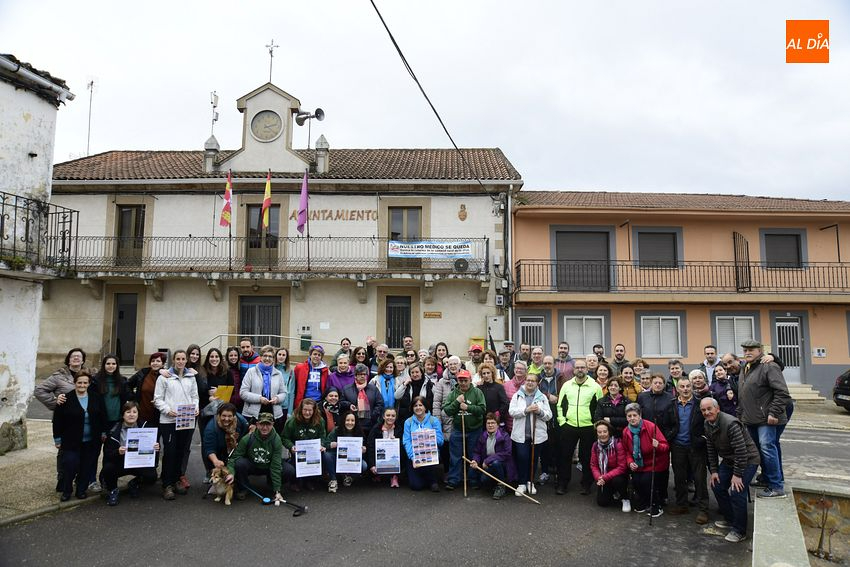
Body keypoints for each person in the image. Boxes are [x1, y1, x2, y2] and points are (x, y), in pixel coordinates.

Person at [737, 339, 791, 498]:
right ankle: (766, 478)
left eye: (751, 350)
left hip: (767, 418)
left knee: (767, 448)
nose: (747, 352)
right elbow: (744, 395)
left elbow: (782, 392)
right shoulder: (745, 367)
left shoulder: (769, 366)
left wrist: (773, 413)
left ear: (759, 351)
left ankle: (776, 487)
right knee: (759, 450)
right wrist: (741, 416)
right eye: (745, 350)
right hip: (751, 418)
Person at [702, 397, 761, 543]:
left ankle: (740, 531)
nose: (707, 412)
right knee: (717, 485)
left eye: (709, 409)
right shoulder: (707, 424)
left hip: (747, 460)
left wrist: (737, 475)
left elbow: (741, 451)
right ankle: (731, 519)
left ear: (717, 409)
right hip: (729, 460)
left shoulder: (730, 423)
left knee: (737, 491)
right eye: (703, 410)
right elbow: (710, 448)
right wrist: (714, 471)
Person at [52, 370, 107, 501]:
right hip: (71, 440)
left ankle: (81, 490)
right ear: (74, 383)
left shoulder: (96, 397)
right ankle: (67, 490)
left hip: (91, 440)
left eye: (85, 383)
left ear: (89, 384)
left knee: (86, 466)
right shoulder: (65, 398)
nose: (82, 385)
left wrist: (104, 432)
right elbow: (57, 420)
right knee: (70, 465)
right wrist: (57, 438)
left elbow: (103, 416)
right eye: (79, 382)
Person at [153, 350, 199, 500]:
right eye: (178, 359)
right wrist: (168, 410)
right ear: (173, 360)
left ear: (186, 360)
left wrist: (195, 407)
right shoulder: (164, 377)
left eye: (183, 359)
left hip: (186, 419)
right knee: (170, 451)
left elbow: (194, 396)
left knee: (180, 451)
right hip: (169, 421)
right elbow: (158, 399)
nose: (180, 361)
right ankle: (167, 484)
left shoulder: (191, 376)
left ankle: (177, 479)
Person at [556, 358, 603, 495]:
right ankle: (563, 483)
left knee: (586, 457)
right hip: (569, 425)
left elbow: (599, 408)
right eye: (577, 367)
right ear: (574, 370)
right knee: (565, 456)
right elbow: (560, 405)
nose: (580, 369)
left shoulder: (595, 387)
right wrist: (562, 421)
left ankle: (586, 484)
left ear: (587, 369)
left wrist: (595, 424)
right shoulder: (567, 385)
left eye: (583, 367)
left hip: (588, 427)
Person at [226, 412, 293, 503]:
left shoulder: (276, 440)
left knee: (289, 470)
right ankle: (244, 488)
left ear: (272, 425)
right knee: (239, 463)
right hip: (253, 465)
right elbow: (234, 458)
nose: (264, 428)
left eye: (268, 424)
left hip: (269, 466)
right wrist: (231, 473)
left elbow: (276, 465)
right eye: (262, 424)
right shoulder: (247, 438)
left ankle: (272, 485)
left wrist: (277, 490)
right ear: (257, 424)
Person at [102, 401, 160, 506]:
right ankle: (113, 490)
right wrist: (118, 452)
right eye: (128, 412)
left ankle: (134, 483)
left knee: (151, 476)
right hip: (120, 462)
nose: (131, 415)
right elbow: (108, 454)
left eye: (134, 412)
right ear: (123, 415)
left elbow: (152, 453)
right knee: (108, 468)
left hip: (138, 462)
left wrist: (155, 448)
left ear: (138, 414)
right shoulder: (113, 430)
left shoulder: (146, 428)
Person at [669, 374, 709, 524]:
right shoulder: (672, 404)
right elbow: (666, 423)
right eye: (682, 386)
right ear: (677, 389)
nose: (685, 389)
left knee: (699, 479)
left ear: (692, 387)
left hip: (696, 446)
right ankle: (682, 505)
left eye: (688, 386)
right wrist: (670, 436)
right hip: (678, 446)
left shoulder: (699, 404)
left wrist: (703, 439)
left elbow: (709, 420)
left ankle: (703, 510)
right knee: (679, 478)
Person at [622, 403, 670, 518]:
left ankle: (656, 504)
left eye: (635, 415)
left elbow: (666, 447)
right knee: (636, 481)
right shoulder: (626, 431)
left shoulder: (650, 427)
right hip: (638, 463)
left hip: (655, 462)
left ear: (640, 415)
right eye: (629, 416)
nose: (632, 418)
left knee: (646, 481)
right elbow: (627, 451)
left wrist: (658, 445)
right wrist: (630, 462)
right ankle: (644, 501)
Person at [441, 369, 486, 490]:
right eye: (460, 380)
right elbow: (447, 410)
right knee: (455, 456)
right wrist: (457, 402)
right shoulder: (453, 394)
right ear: (457, 381)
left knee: (473, 456)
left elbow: (482, 409)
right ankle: (453, 480)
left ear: (470, 380)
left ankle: (473, 480)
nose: (463, 383)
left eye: (465, 380)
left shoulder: (477, 392)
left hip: (474, 429)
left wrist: (468, 407)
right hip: (458, 429)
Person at [509, 373, 552, 496]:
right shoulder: (517, 395)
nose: (530, 382)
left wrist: (539, 411)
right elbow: (511, 412)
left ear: (537, 383)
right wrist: (525, 410)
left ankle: (530, 482)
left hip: (537, 435)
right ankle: (521, 483)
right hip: (520, 435)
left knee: (533, 459)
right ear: (525, 381)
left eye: (533, 381)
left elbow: (549, 415)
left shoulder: (542, 397)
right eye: (528, 380)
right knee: (522, 458)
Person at [91, 354, 129, 490]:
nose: (111, 366)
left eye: (113, 364)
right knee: (94, 452)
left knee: (110, 453)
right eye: (108, 363)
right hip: (100, 422)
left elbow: (128, 397)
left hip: (116, 422)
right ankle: (91, 480)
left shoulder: (122, 381)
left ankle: (106, 479)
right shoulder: (95, 381)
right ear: (104, 365)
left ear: (117, 366)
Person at [281, 399, 334, 492]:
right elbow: (284, 437)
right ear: (301, 409)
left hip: (313, 450)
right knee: (294, 466)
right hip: (297, 451)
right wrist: (291, 446)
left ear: (314, 410)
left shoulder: (320, 421)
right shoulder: (292, 421)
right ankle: (295, 482)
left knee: (321, 457)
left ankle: (310, 481)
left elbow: (322, 436)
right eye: (305, 410)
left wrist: (321, 445)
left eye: (310, 410)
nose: (307, 413)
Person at [197, 348, 231, 481]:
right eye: (212, 356)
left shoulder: (226, 372)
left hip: (222, 413)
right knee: (207, 441)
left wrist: (220, 392)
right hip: (205, 412)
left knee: (223, 441)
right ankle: (209, 471)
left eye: (216, 356)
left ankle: (223, 470)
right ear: (208, 358)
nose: (214, 359)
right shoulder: (202, 372)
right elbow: (198, 391)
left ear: (220, 358)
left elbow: (232, 390)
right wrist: (208, 397)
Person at [240, 345, 288, 432]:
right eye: (265, 356)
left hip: (273, 413)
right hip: (253, 414)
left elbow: (284, 393)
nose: (267, 358)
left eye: (270, 356)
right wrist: (259, 399)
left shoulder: (278, 374)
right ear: (260, 357)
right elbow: (243, 393)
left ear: (273, 359)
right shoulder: (251, 372)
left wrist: (277, 398)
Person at [469, 413, 515, 500]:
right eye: (488, 423)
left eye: (493, 423)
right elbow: (477, 452)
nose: (490, 425)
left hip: (503, 465)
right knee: (483, 480)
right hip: (488, 466)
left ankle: (501, 486)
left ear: (497, 425)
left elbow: (507, 453)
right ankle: (495, 484)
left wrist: (487, 460)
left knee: (496, 463)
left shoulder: (504, 436)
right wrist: (475, 460)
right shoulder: (483, 436)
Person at [402, 396, 444, 492]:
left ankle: (432, 480)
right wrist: (413, 457)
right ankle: (423, 478)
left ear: (425, 407)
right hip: (415, 456)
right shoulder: (408, 422)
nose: (418, 408)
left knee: (431, 482)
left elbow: (441, 441)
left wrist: (429, 436)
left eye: (420, 405)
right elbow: (406, 441)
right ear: (412, 408)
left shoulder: (434, 421)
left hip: (430, 456)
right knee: (416, 486)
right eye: (415, 406)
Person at [202, 402, 249, 482]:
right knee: (213, 460)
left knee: (240, 463)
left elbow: (246, 436)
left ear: (234, 416)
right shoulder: (211, 428)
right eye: (224, 416)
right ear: (219, 415)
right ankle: (211, 473)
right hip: (219, 450)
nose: (226, 419)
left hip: (234, 449)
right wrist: (215, 461)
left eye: (230, 416)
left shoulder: (242, 422)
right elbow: (209, 448)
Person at [590, 420, 630, 511]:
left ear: (609, 432)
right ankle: (613, 492)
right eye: (599, 432)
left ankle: (625, 498)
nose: (602, 434)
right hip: (604, 475)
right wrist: (598, 477)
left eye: (605, 431)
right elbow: (594, 465)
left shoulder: (618, 444)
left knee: (617, 481)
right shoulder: (595, 446)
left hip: (617, 475)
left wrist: (605, 477)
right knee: (602, 502)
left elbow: (622, 467)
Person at [366, 407, 405, 488]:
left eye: (393, 416)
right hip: (379, 457)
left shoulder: (399, 429)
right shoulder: (376, 429)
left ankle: (394, 476)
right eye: (388, 415)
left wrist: (396, 442)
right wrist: (372, 465)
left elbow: (403, 447)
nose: (390, 418)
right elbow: (370, 447)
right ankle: (378, 474)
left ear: (396, 417)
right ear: (383, 416)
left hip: (394, 459)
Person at [326, 412, 368, 487]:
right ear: (343, 421)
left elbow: (364, 447)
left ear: (356, 422)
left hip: (352, 459)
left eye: (352, 420)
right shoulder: (337, 430)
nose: (350, 423)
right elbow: (325, 443)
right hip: (338, 458)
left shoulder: (359, 432)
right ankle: (333, 479)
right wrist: (330, 445)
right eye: (347, 420)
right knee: (327, 455)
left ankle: (349, 478)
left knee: (364, 465)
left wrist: (364, 450)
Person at [341, 364, 384, 437]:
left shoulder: (373, 389)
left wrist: (373, 415)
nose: (363, 376)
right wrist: (349, 405)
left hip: (370, 424)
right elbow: (341, 402)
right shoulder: (347, 389)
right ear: (355, 375)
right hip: (353, 424)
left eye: (364, 374)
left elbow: (380, 403)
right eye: (360, 374)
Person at [128, 352, 167, 427]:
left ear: (163, 364)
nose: (155, 363)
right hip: (142, 412)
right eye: (153, 361)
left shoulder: (165, 375)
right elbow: (128, 384)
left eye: (158, 361)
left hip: (158, 414)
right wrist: (133, 398)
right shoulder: (143, 373)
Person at [476, 362, 508, 427]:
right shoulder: (479, 388)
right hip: (483, 421)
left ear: (492, 373)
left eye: (488, 373)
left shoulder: (499, 387)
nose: (486, 375)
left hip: (496, 420)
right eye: (484, 373)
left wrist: (498, 413)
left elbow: (505, 403)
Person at [274, 347, 295, 421]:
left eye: (283, 355)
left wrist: (290, 412)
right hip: (272, 404)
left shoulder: (290, 372)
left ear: (286, 357)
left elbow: (291, 392)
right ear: (276, 355)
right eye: (279, 354)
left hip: (284, 406)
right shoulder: (271, 369)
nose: (281, 357)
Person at [224, 346, 244, 413]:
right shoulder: (224, 370)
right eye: (231, 355)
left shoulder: (239, 369)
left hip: (240, 403)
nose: (233, 357)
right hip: (228, 403)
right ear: (227, 357)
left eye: (235, 355)